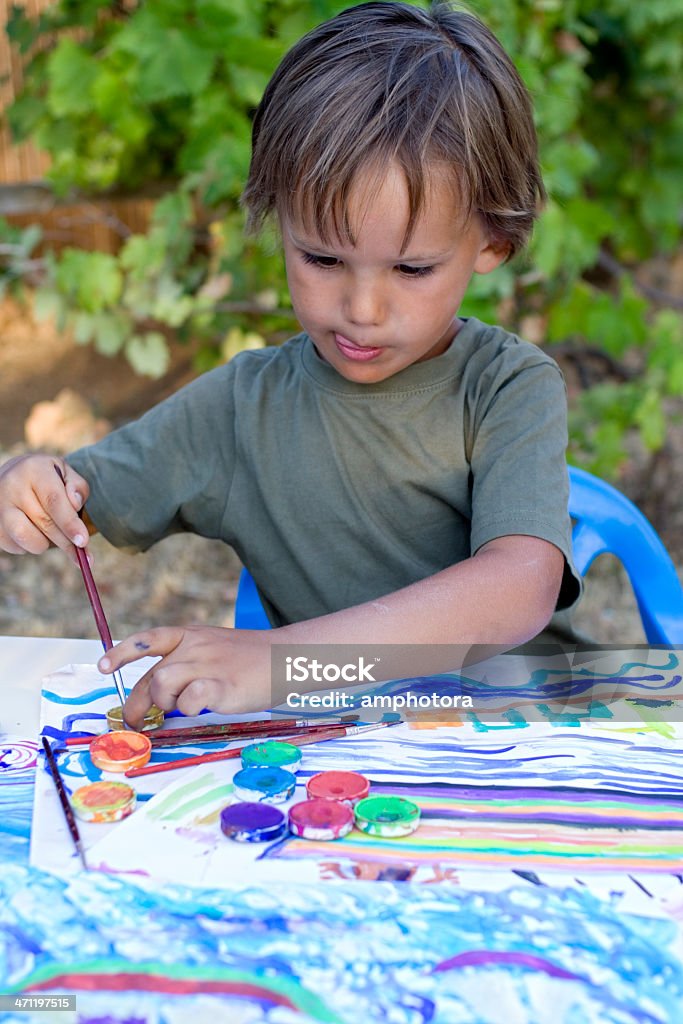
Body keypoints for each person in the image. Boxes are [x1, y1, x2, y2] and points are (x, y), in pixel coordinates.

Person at [0, 1, 581, 726]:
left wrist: (282, 665)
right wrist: (25, 487)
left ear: (491, 242)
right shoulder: (239, 411)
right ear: (278, 221)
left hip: (528, 741)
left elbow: (516, 590)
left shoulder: (506, 386)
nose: (362, 309)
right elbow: (72, 498)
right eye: (322, 258)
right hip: (335, 756)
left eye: (410, 268)